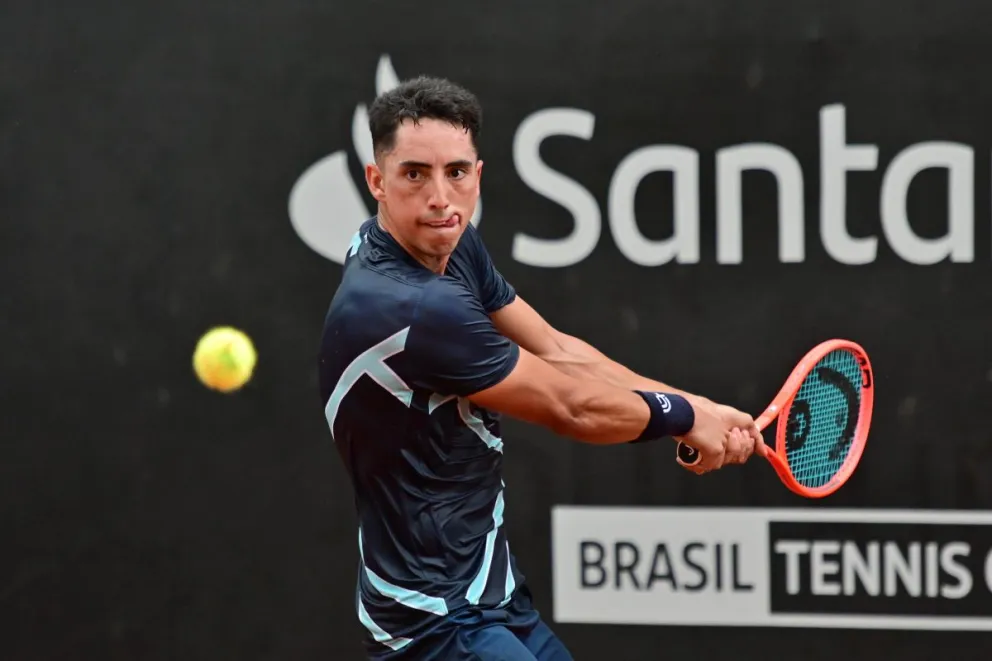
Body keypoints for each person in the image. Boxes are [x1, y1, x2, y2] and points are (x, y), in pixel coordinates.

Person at [317, 75, 766, 660]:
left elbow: (558, 350)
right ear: (376, 181)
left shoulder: (446, 246)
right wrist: (680, 417)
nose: (439, 197)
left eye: (456, 172)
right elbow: (568, 405)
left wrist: (697, 408)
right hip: (434, 621)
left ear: (478, 175)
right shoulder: (413, 308)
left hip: (489, 596)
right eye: (414, 174)